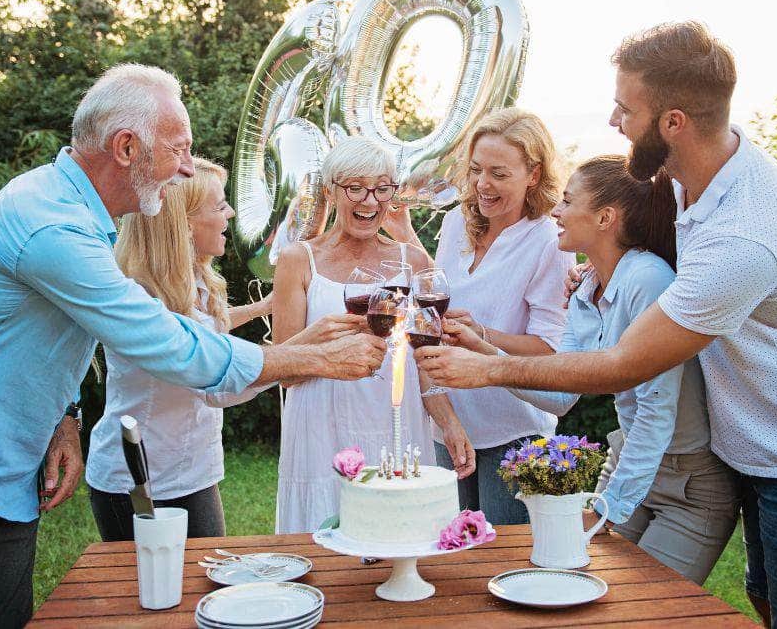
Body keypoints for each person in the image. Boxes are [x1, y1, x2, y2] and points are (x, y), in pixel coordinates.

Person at [415, 23, 777, 628]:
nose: (615, 120)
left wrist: (488, 367)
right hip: (746, 447)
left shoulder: (745, 233)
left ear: (673, 122)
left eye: (625, 109)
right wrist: (595, 278)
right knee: (768, 602)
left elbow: (627, 366)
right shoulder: (685, 183)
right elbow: (631, 275)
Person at [0, 64, 384, 628]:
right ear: (126, 147)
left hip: (10, 477)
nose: (187, 166)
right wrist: (313, 358)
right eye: (180, 149)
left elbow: (54, 339)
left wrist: (65, 416)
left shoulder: (79, 217)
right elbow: (170, 345)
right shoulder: (50, 227)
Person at [452, 155, 740, 583]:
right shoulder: (588, 286)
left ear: (605, 217)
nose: (556, 211)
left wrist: (608, 510)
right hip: (630, 460)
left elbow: (656, 413)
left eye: (567, 202)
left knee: (642, 609)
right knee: (584, 588)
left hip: (688, 485)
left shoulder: (647, 280)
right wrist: (485, 352)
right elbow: (561, 395)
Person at [86, 157, 346, 540]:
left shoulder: (190, 277)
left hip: (193, 469)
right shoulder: (142, 298)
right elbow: (217, 388)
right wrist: (298, 350)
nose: (231, 212)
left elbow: (210, 325)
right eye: (219, 204)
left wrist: (261, 308)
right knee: (151, 592)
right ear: (186, 223)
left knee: (198, 584)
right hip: (141, 481)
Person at [271, 136, 475, 534]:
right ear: (331, 191)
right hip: (320, 424)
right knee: (326, 539)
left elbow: (426, 359)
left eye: (382, 189)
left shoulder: (413, 261)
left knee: (397, 534)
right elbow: (285, 370)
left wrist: (449, 423)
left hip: (394, 418)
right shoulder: (299, 260)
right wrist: (325, 339)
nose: (370, 201)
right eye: (356, 188)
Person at [385, 107, 574, 525]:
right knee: (450, 558)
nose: (482, 185)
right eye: (475, 170)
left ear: (534, 175)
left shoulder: (549, 241)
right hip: (450, 419)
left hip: (516, 431)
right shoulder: (455, 222)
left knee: (504, 563)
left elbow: (548, 350)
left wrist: (483, 334)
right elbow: (436, 296)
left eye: (499, 174)